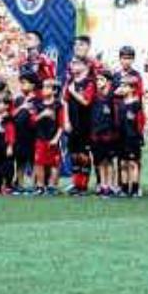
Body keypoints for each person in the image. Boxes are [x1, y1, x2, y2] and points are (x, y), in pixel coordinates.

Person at [63, 58, 95, 195]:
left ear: (85, 66)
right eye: (72, 63)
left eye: (76, 63)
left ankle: (83, 185)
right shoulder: (69, 82)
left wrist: (73, 92)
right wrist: (65, 120)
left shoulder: (90, 82)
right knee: (74, 154)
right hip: (72, 122)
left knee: (83, 155)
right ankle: (76, 183)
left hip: (85, 123)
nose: (73, 66)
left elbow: (86, 101)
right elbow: (64, 102)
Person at [90, 70, 120, 197]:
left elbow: (117, 115)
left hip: (110, 133)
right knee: (100, 161)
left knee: (111, 160)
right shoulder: (95, 96)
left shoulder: (113, 97)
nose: (98, 82)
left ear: (109, 82)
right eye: (97, 80)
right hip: (97, 133)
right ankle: (103, 184)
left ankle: (113, 184)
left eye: (101, 79)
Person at [33, 78, 63, 195]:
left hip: (52, 137)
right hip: (40, 137)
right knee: (39, 162)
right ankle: (40, 185)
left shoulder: (58, 105)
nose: (43, 90)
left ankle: (52, 185)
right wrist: (42, 114)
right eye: (43, 87)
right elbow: (33, 120)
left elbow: (61, 125)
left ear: (54, 90)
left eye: (46, 87)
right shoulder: (38, 104)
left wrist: (56, 138)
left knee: (54, 163)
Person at [118, 74, 145, 198]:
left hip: (132, 138)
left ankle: (134, 188)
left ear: (133, 88)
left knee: (133, 163)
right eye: (121, 85)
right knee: (123, 163)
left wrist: (139, 136)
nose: (122, 88)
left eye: (125, 86)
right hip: (121, 137)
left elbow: (140, 122)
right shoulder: (120, 103)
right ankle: (124, 188)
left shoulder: (136, 104)